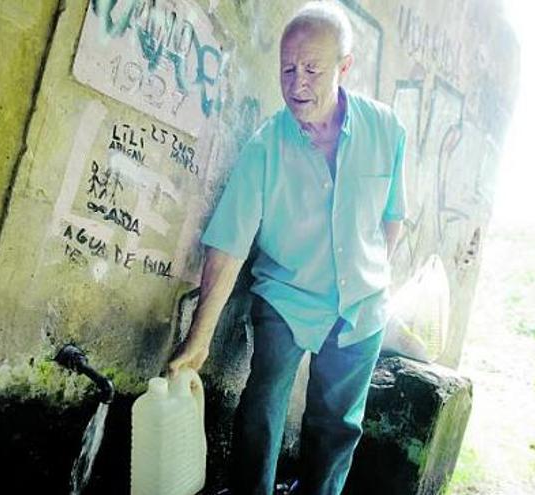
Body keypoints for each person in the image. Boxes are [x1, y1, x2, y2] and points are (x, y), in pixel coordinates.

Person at [167, 2, 408, 494]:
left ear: (345, 67)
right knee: (262, 410)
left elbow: (392, 221)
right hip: (287, 296)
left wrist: (372, 281)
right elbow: (228, 246)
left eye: (313, 69)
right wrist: (199, 339)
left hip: (361, 306)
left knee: (337, 425)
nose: (298, 82)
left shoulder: (387, 129)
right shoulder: (264, 148)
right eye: (288, 69)